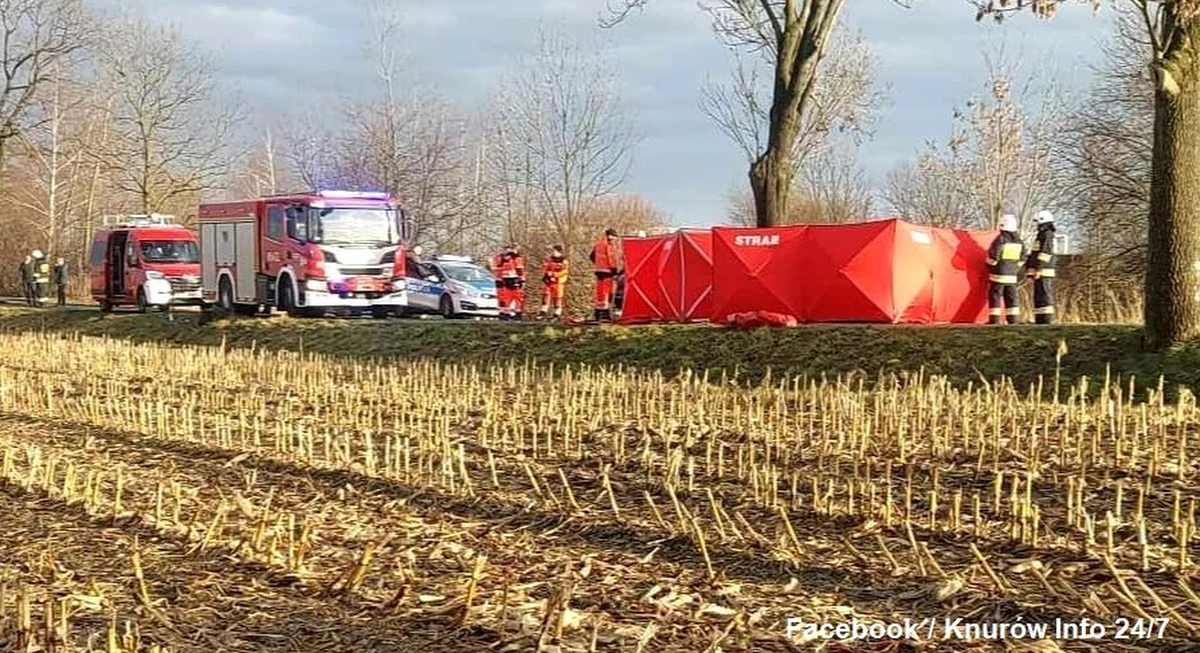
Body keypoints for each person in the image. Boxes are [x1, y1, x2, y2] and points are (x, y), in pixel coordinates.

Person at [986, 214, 1025, 325]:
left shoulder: (1000, 239)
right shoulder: (1019, 241)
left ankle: (994, 320)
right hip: (1012, 275)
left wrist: (988, 265)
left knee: (995, 295)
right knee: (1011, 296)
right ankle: (1013, 320)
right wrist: (1015, 269)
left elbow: (994, 257)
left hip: (998, 274)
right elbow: (1023, 258)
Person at [1025, 209, 1057, 324]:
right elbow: (1034, 253)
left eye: (1037, 222)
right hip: (1040, 269)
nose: (1037, 225)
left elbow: (1045, 253)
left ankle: (1047, 319)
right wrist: (1030, 269)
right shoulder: (1041, 235)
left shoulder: (1047, 235)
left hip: (1045, 269)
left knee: (1044, 293)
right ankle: (1040, 319)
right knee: (1038, 294)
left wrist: (1039, 269)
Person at [590, 227, 619, 321]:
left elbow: (591, 256)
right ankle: (605, 313)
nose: (614, 239)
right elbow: (611, 258)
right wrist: (614, 269)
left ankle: (598, 312)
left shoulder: (598, 244)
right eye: (614, 237)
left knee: (599, 292)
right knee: (606, 291)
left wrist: (598, 264)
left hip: (598, 270)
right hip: (607, 271)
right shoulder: (609, 245)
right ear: (610, 236)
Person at [492, 244, 525, 321]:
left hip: (513, 280)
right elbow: (497, 268)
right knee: (503, 298)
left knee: (516, 297)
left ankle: (515, 314)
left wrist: (521, 280)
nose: (506, 256)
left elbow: (520, 270)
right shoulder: (499, 259)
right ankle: (504, 313)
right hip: (502, 281)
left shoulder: (515, 259)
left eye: (508, 254)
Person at [539, 245, 569, 319]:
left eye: (554, 251)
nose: (552, 252)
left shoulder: (564, 261)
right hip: (549, 281)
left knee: (558, 296)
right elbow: (546, 268)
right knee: (546, 294)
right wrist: (546, 275)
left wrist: (554, 275)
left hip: (558, 282)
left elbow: (564, 271)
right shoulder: (550, 260)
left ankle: (557, 312)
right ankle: (543, 311)